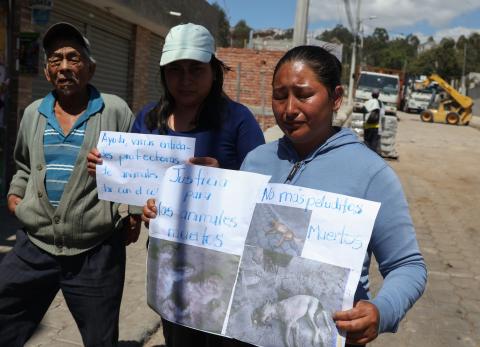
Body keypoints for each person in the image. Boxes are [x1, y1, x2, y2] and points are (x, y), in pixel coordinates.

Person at [142, 45, 427, 347]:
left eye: (304, 95)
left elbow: (408, 266)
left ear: (336, 97)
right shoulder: (255, 160)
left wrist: (382, 312)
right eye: (280, 96)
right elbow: (228, 238)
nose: (289, 109)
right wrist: (170, 214)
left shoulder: (371, 174)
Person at [87, 23, 265, 347]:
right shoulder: (149, 118)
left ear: (213, 71)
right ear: (163, 74)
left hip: (224, 265)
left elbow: (262, 187)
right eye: (175, 70)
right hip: (168, 260)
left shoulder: (238, 120)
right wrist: (105, 169)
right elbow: (135, 181)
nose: (185, 80)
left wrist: (221, 175)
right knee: (177, 334)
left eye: (195, 70)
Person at [0, 22, 140, 347]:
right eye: (55, 59)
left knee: (101, 339)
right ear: (47, 73)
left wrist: (132, 213)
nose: (64, 67)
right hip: (35, 246)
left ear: (90, 68)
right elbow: (22, 163)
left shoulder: (115, 110)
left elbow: (137, 167)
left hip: (96, 251)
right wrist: (15, 195)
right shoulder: (33, 113)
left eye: (73, 58)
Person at [362, 88, 384, 153]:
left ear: (371, 94)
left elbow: (363, 114)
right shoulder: (380, 103)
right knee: (374, 144)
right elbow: (382, 115)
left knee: (366, 143)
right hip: (375, 127)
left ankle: (366, 157)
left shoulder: (366, 102)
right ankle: (373, 158)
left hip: (367, 126)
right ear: (378, 95)